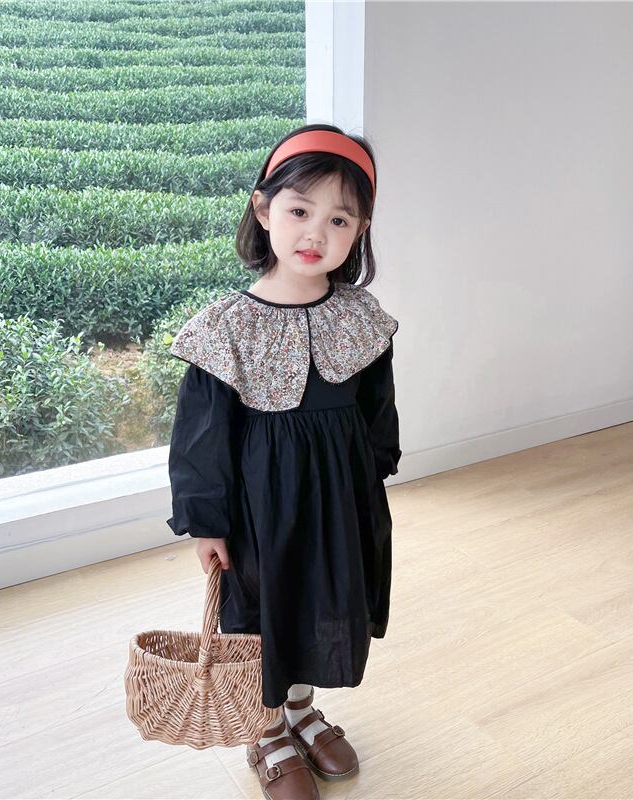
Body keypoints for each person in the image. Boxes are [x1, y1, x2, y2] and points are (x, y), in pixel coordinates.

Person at [167, 124, 401, 800]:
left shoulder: (361, 318)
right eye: (300, 210)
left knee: (324, 600)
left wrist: (373, 480)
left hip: (340, 500)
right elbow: (200, 437)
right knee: (261, 614)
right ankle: (265, 726)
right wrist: (207, 521)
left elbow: (377, 409)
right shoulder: (224, 329)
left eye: (339, 220)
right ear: (264, 210)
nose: (315, 233)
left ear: (359, 231)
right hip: (259, 510)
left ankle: (300, 708)